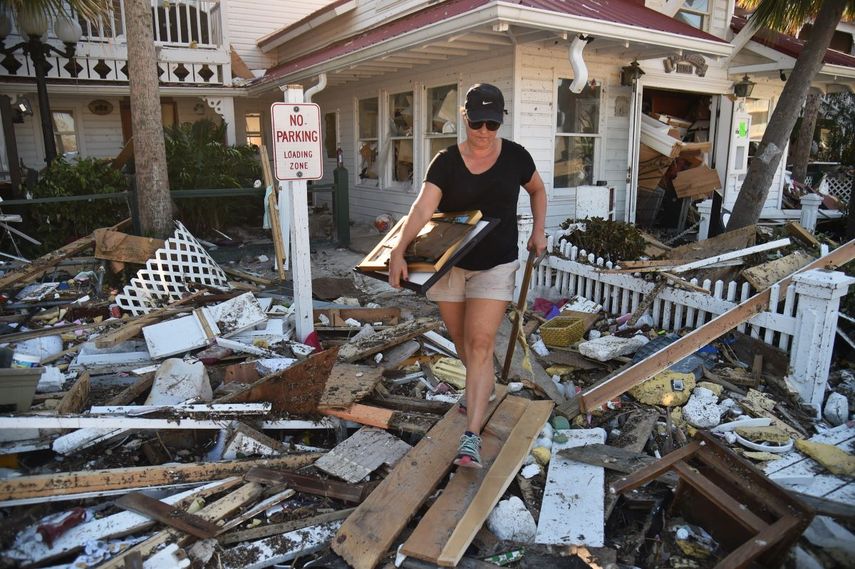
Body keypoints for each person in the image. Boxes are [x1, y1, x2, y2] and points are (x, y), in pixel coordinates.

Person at [388, 83, 547, 468]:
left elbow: (538, 191)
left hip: (496, 264)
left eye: (493, 124)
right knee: (461, 342)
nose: (484, 131)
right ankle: (484, 388)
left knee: (479, 344)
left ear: (501, 122)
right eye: (478, 122)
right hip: (448, 264)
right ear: (465, 118)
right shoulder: (445, 161)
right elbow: (423, 208)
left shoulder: (516, 158)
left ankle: (471, 436)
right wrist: (397, 250)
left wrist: (539, 230)